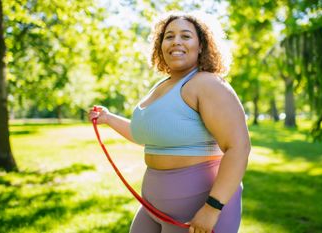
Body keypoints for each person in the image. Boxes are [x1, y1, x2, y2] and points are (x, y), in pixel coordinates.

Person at [89, 11, 250, 233]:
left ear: (201, 45)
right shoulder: (162, 86)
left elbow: (238, 147)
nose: (176, 41)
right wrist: (108, 118)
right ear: (160, 45)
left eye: (186, 36)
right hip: (152, 206)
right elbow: (145, 135)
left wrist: (212, 208)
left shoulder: (207, 84)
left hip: (198, 211)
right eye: (169, 36)